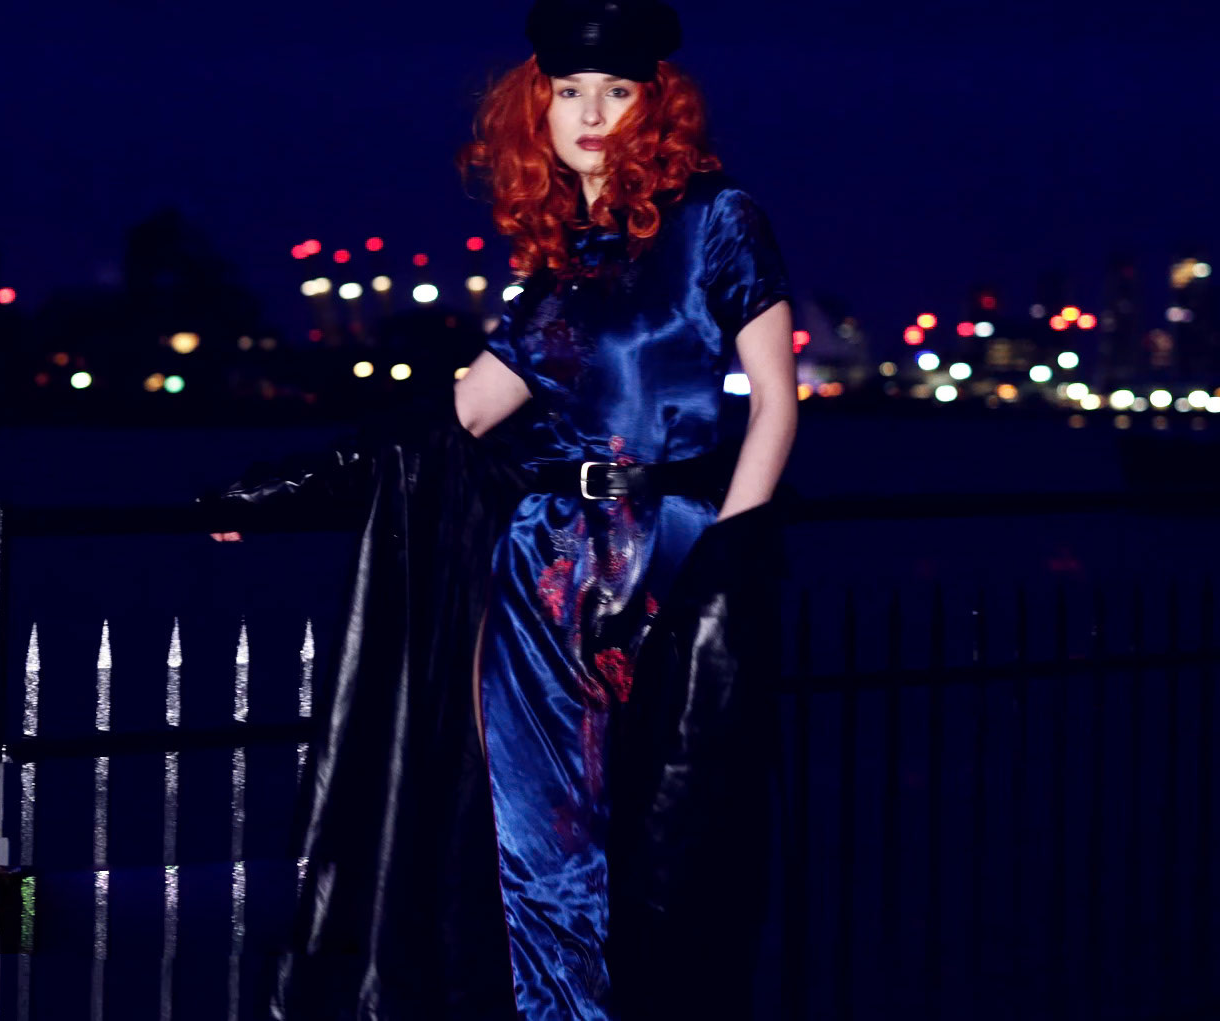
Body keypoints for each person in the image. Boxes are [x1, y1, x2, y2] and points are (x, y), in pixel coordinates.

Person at [210, 2, 796, 1017]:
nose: (590, 114)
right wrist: (289, 486)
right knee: (541, 843)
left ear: (654, 105)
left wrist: (725, 567)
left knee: (667, 848)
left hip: (674, 557)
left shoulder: (718, 217)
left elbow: (775, 406)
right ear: (538, 106)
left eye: (616, 91)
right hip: (544, 569)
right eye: (568, 91)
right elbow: (466, 410)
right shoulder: (561, 260)